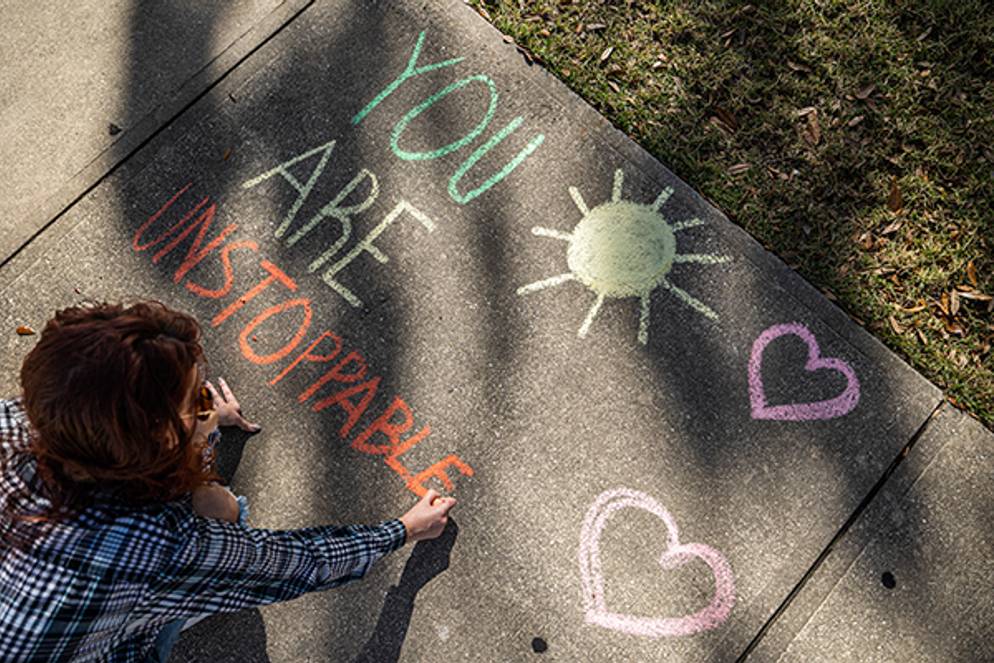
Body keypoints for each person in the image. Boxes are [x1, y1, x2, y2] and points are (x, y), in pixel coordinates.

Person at [0, 301, 455, 662]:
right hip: (104, 642)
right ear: (153, 443)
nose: (208, 401)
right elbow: (293, 562)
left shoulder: (32, 417)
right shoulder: (154, 550)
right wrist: (403, 530)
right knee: (216, 528)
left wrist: (197, 424)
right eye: (197, 398)